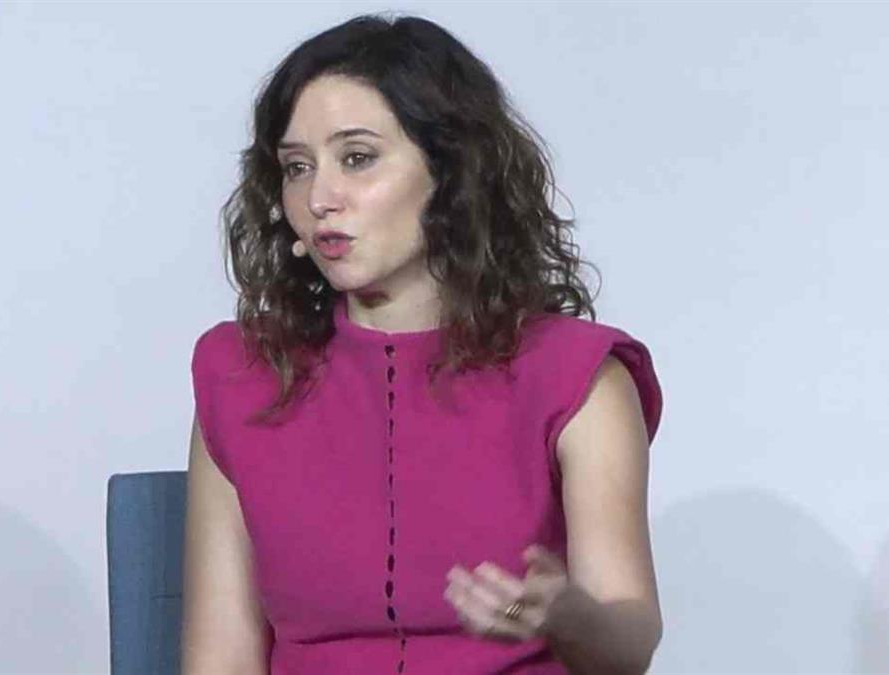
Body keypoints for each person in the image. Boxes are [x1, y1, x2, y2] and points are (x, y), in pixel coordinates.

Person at [182, 12, 665, 675]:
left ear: (452, 172)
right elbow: (220, 659)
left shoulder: (578, 375)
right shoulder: (242, 374)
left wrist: (566, 615)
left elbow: (629, 646)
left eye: (357, 158)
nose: (320, 197)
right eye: (296, 167)